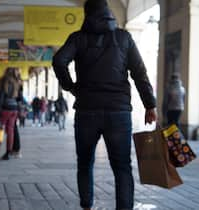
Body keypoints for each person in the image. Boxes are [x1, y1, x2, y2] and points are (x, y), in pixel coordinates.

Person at [52, 0, 157, 209]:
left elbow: (59, 61)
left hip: (86, 111)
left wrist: (71, 87)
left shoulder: (78, 39)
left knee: (85, 162)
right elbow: (139, 73)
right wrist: (149, 104)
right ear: (109, 13)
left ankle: (86, 203)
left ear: (87, 14)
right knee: (122, 167)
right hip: (118, 112)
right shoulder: (124, 37)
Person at [0, 67, 21, 160]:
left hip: (5, 109)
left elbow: (0, 98)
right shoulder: (16, 82)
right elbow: (20, 98)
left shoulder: (4, 82)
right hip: (14, 109)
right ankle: (8, 153)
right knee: (10, 132)